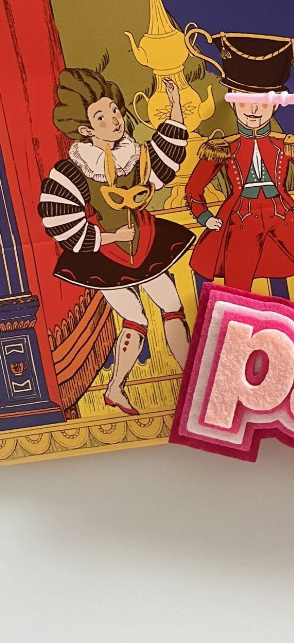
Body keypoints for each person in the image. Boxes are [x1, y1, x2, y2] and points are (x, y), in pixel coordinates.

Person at [38, 68, 193, 416]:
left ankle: (189, 378)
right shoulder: (74, 170)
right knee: (136, 317)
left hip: (145, 241)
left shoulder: (136, 154)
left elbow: (166, 155)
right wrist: (110, 237)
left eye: (114, 110)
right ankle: (116, 388)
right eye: (101, 117)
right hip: (105, 255)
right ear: (85, 129)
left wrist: (175, 105)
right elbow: (59, 220)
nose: (114, 120)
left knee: (172, 305)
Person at [184, 33, 294, 312]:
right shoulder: (223, 148)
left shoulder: (287, 144)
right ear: (232, 102)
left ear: (275, 103)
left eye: (263, 101)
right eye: (245, 100)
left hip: (284, 215)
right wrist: (205, 217)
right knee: (236, 289)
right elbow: (194, 189)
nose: (254, 110)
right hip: (240, 221)